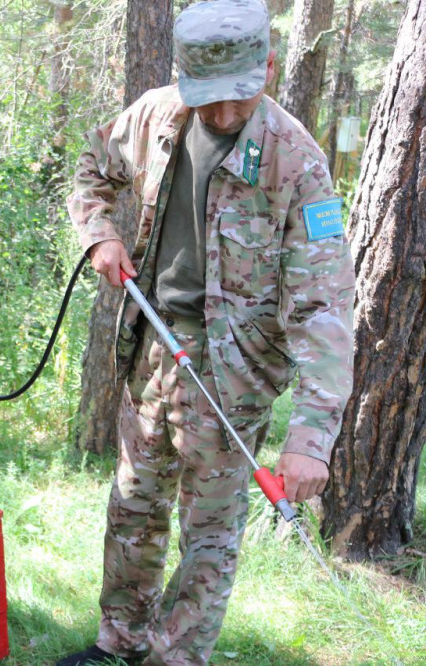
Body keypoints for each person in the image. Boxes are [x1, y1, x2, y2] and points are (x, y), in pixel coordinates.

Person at [61, 1, 355, 664]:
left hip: (231, 379)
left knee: (210, 536)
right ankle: (121, 642)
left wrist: (311, 439)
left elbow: (325, 309)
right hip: (151, 355)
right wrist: (101, 235)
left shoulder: (297, 164)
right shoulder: (156, 116)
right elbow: (91, 169)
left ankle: (175, 656)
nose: (222, 115)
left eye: (238, 99)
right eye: (208, 99)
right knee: (133, 508)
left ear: (269, 68)